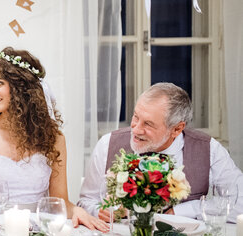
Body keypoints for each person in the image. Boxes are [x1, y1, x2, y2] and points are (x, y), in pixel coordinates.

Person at [0, 47, 107, 231]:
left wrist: (77, 211)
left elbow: (61, 201)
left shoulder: (55, 139)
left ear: (21, 87)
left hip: (36, 233)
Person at [78, 82, 243, 222]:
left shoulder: (209, 149)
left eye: (148, 124)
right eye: (136, 117)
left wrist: (184, 211)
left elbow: (240, 203)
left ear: (177, 129)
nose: (136, 129)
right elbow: (86, 201)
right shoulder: (107, 144)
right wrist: (99, 212)